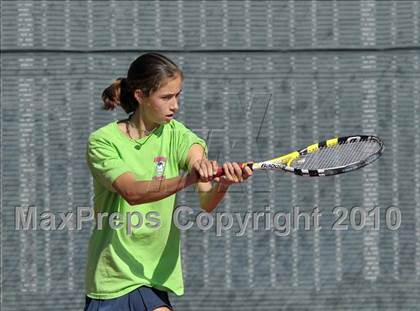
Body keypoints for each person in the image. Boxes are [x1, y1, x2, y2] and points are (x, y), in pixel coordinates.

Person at [84, 52, 252, 311]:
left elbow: (206, 201)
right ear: (140, 96)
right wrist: (188, 179)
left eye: (178, 95)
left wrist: (222, 183)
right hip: (112, 278)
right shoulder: (103, 142)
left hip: (152, 279)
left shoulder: (179, 136)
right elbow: (132, 192)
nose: (175, 105)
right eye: (166, 97)